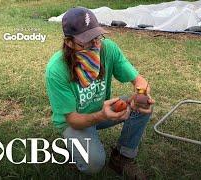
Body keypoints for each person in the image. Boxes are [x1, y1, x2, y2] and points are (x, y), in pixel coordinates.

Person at [45, 7, 154, 179]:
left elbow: (138, 80)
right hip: (74, 122)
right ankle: (75, 147)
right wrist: (102, 115)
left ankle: (122, 158)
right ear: (69, 42)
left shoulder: (107, 48)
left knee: (143, 104)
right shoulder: (57, 69)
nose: (96, 44)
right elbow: (72, 119)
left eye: (97, 37)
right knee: (93, 164)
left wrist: (140, 94)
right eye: (88, 41)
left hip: (102, 110)